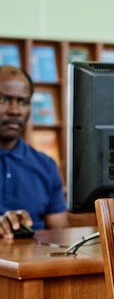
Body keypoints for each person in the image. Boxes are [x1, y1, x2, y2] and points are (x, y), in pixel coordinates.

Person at [0, 65, 69, 237]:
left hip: (34, 260)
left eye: (23, 102)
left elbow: (59, 235)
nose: (14, 111)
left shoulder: (46, 166)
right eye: (4, 100)